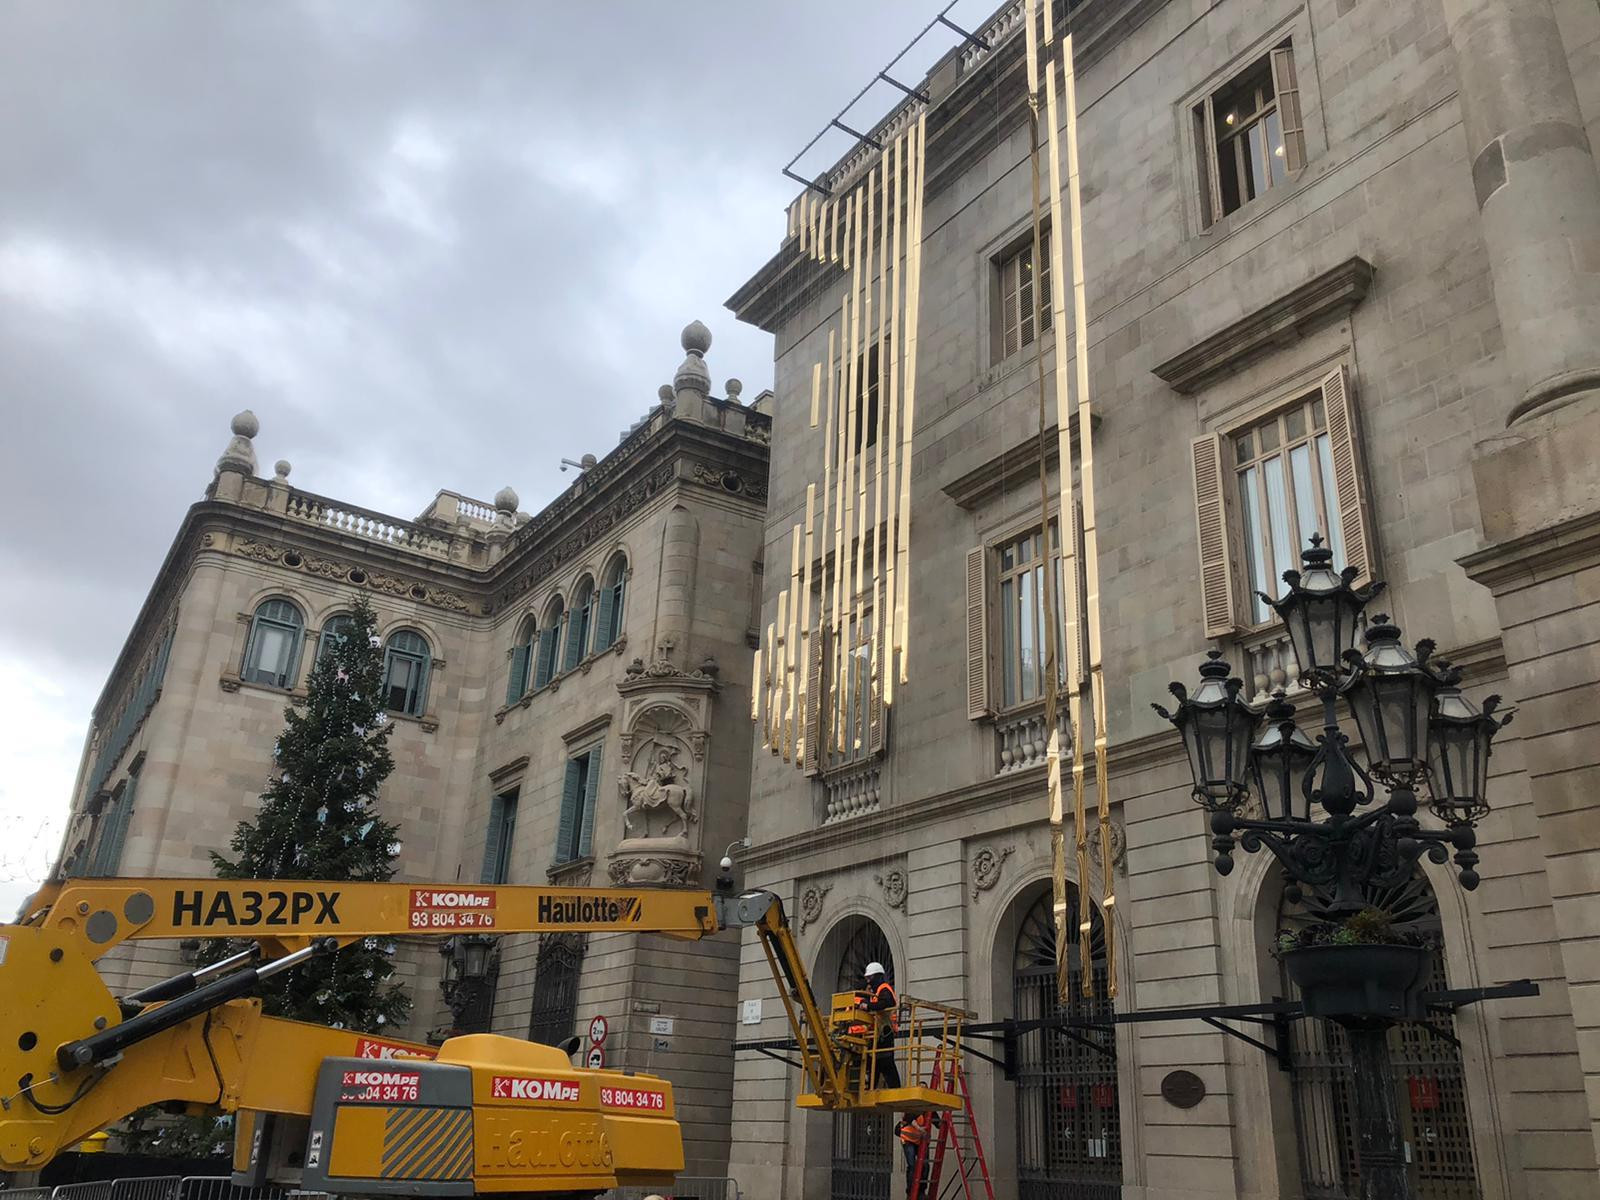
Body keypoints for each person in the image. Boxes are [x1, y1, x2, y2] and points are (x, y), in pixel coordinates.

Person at [851, 961, 901, 1089]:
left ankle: (893, 1088)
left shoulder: (884, 989)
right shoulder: (878, 992)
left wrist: (868, 1006)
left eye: (870, 978)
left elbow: (885, 1003)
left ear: (878, 976)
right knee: (876, 1061)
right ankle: (872, 1087)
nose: (868, 981)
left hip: (886, 1031)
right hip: (880, 1033)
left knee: (885, 1061)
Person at [896, 1110, 940, 1197]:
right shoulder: (916, 1106)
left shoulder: (930, 1111)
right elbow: (909, 1117)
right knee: (912, 1166)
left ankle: (921, 1191)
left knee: (925, 1165)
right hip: (908, 1139)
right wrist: (919, 1128)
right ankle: (911, 1191)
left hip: (921, 1142)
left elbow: (938, 1123)